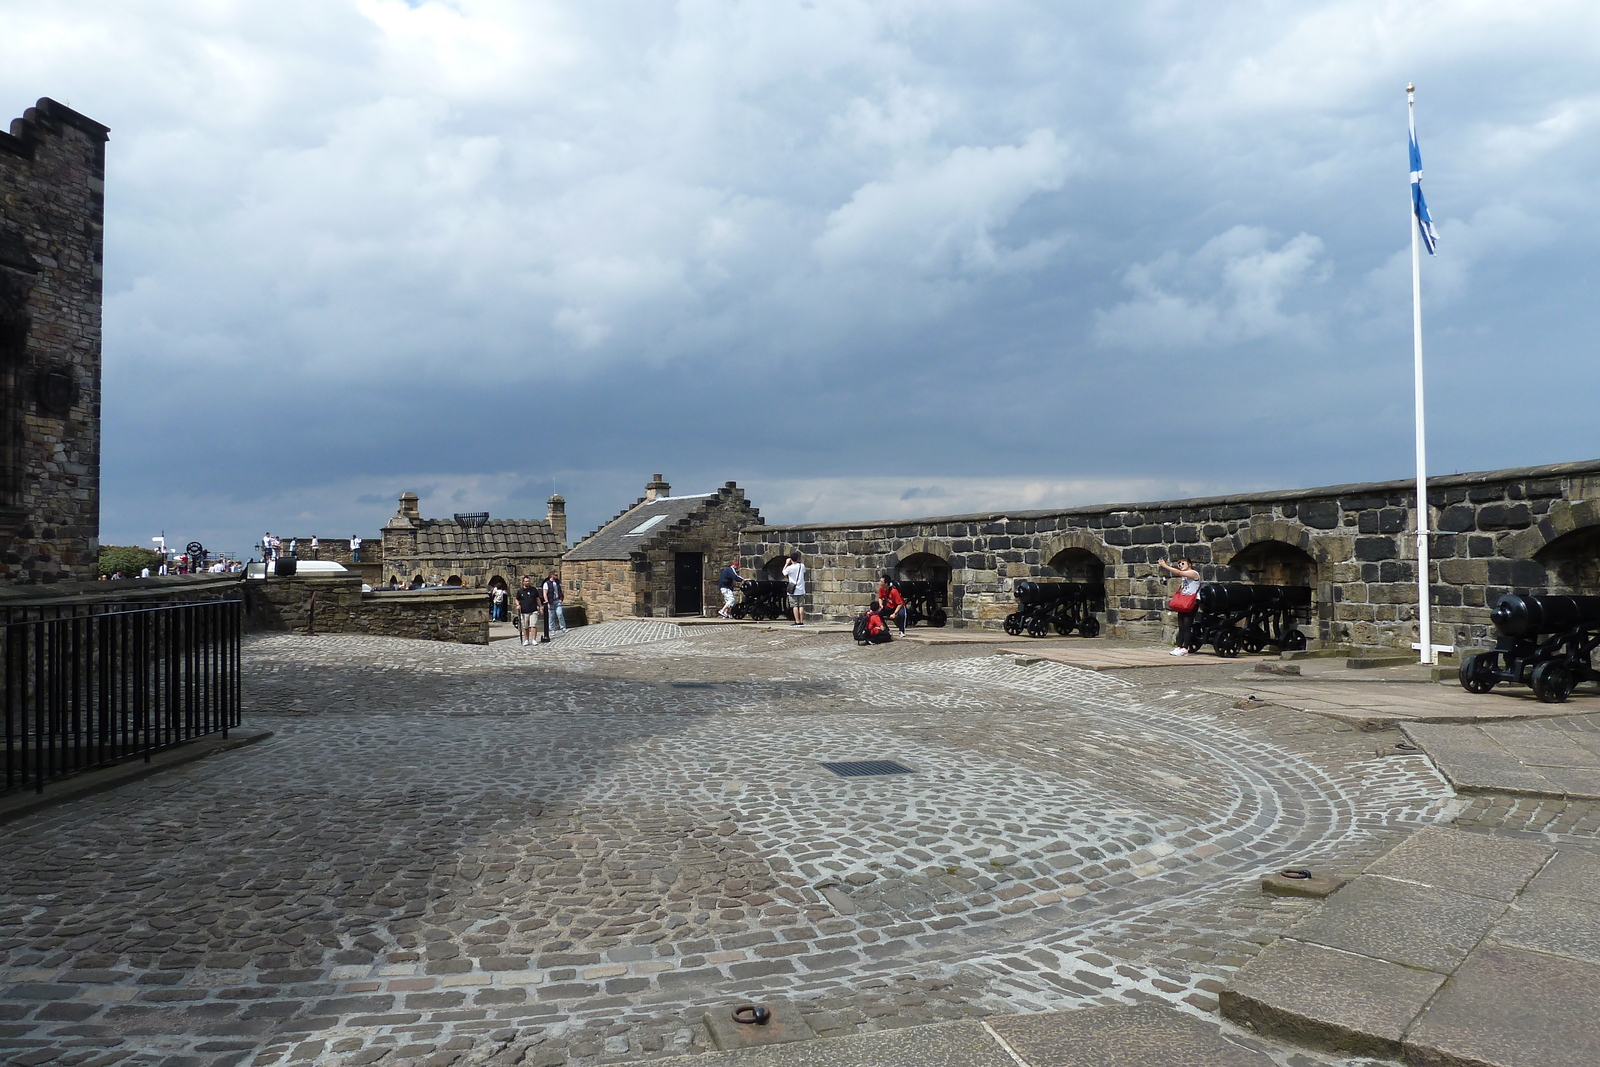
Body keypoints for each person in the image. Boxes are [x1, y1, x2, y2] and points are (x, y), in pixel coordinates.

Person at [1157, 557, 1202, 656]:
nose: (1180, 566)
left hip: (1191, 602)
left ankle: (1185, 648)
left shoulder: (1193, 573)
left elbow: (1179, 573)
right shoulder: (1185, 577)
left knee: (1187, 625)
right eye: (1179, 564)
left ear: (1189, 564)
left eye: (1183, 564)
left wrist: (1165, 566)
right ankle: (1179, 647)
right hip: (1184, 601)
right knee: (1181, 626)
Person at [782, 552, 807, 627]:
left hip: (793, 590)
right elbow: (804, 571)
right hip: (801, 589)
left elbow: (783, 573)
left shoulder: (790, 568)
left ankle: (797, 621)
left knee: (795, 606)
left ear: (791, 559)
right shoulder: (801, 566)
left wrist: (786, 563)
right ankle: (801, 621)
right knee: (801, 605)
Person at [515, 577, 541, 646]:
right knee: (525, 626)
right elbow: (517, 599)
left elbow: (537, 598)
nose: (527, 582)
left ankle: (534, 639)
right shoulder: (520, 591)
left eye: (528, 581)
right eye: (526, 581)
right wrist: (518, 605)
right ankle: (526, 640)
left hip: (533, 610)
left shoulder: (533, 590)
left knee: (533, 625)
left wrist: (540, 607)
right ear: (523, 582)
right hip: (524, 610)